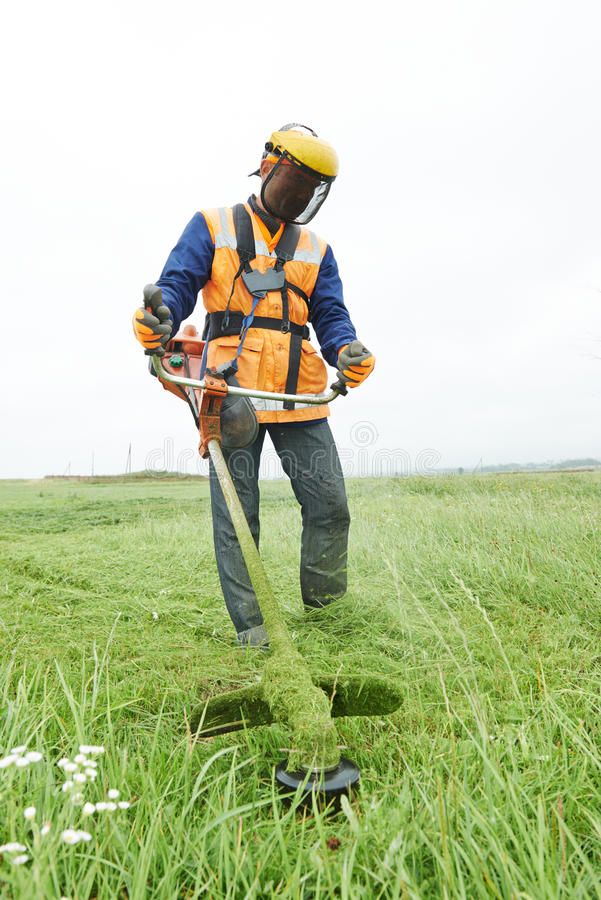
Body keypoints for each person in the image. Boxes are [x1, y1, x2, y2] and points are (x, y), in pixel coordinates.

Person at [133, 124, 375, 646]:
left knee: (330, 506)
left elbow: (331, 315)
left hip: (300, 394)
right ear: (268, 167)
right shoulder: (212, 225)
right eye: (294, 184)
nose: (300, 197)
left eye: (311, 191)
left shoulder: (316, 249)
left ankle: (329, 620)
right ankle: (255, 633)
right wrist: (161, 319)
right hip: (231, 390)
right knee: (239, 516)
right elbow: (176, 287)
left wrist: (346, 351)